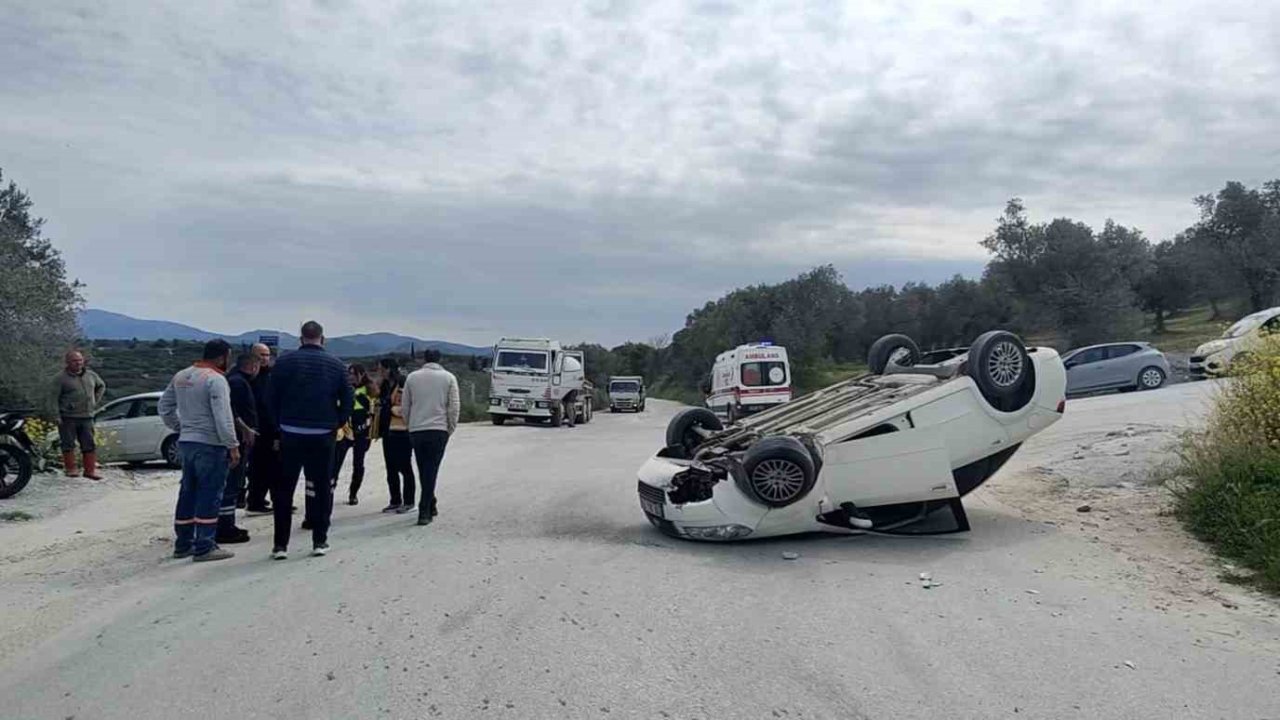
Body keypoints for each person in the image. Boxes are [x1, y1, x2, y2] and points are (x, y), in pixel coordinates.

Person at [267, 322, 352, 560]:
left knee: (284, 489)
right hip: (322, 435)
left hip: (290, 432)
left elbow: (271, 397)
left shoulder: (284, 362)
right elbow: (347, 399)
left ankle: (280, 545)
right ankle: (319, 540)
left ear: (301, 339)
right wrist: (335, 423)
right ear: (322, 339)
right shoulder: (336, 365)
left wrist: (279, 425)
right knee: (321, 487)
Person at [158, 339, 241, 563]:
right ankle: (204, 546)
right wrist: (232, 445)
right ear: (223, 357)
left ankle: (183, 544)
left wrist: (181, 428)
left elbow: (164, 407)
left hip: (186, 443)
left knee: (188, 492)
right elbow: (223, 417)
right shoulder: (216, 380)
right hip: (210, 444)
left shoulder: (182, 376)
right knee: (210, 494)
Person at [401, 349, 459, 526]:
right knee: (432, 468)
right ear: (440, 359)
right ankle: (424, 508)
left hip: (417, 429)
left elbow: (405, 405)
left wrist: (410, 425)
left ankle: (430, 501)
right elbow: (454, 406)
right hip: (438, 429)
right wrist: (450, 427)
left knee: (423, 467)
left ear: (424, 359)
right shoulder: (449, 378)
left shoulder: (412, 377)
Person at [217, 352, 260, 545]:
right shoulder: (237, 383)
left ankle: (227, 524)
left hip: (238, 438)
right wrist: (244, 428)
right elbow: (231, 411)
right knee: (231, 484)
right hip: (236, 440)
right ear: (252, 367)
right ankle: (225, 527)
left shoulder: (236, 380)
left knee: (234, 482)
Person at [51, 350, 107, 480]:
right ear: (67, 362)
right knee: (68, 443)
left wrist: (94, 401)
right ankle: (71, 469)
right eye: (75, 361)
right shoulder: (60, 378)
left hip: (87, 416)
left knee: (89, 444)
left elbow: (101, 386)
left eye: (80, 360)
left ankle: (90, 471)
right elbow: (52, 398)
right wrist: (56, 415)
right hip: (68, 417)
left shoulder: (91, 375)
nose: (78, 363)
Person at [376, 358, 415, 514]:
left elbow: (406, 405)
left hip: (402, 431)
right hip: (387, 431)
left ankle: (409, 501)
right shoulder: (385, 385)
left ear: (389, 369)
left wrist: (391, 408)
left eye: (381, 369)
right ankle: (395, 500)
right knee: (390, 467)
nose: (379, 372)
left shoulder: (403, 383)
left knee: (405, 467)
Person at [243, 343, 278, 514]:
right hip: (255, 430)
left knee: (272, 466)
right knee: (257, 467)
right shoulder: (249, 377)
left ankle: (266, 499)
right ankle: (254, 501)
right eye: (261, 355)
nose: (265, 358)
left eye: (267, 355)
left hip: (271, 429)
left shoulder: (271, 375)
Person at [334, 364, 374, 506]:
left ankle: (353, 493)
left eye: (353, 373)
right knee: (336, 462)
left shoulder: (368, 390)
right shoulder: (343, 389)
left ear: (361, 374)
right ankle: (331, 488)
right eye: (348, 373)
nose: (350, 376)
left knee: (358, 464)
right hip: (345, 431)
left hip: (361, 433)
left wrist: (365, 430)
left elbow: (372, 414)